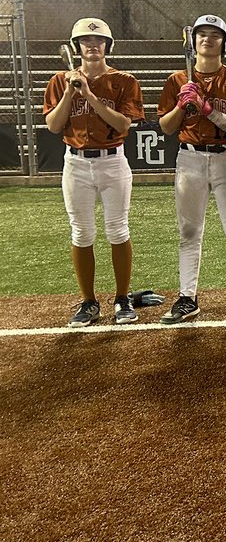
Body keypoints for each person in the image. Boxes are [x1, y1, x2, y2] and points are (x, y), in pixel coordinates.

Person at [157, 14, 226, 323]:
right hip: (190, 158)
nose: (207, 39)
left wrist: (207, 109)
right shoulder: (177, 81)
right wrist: (182, 106)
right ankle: (186, 297)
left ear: (223, 43)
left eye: (214, 35)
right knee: (189, 231)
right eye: (201, 34)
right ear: (193, 41)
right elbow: (166, 127)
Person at [43, 18, 144, 327]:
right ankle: (88, 301)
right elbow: (54, 124)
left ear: (107, 46)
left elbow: (123, 124)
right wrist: (70, 94)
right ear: (77, 46)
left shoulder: (124, 80)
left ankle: (122, 299)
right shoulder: (61, 80)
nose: (92, 45)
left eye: (98, 41)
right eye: (85, 41)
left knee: (118, 229)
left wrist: (87, 94)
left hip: (112, 160)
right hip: (75, 162)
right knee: (82, 231)